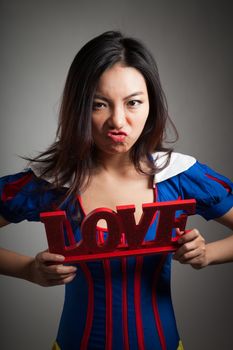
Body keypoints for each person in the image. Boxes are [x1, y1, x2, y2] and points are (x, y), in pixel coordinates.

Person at [0, 31, 233, 350]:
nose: (117, 121)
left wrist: (207, 255)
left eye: (133, 102)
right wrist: (28, 270)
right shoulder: (52, 182)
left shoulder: (178, 175)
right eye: (99, 104)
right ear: (78, 107)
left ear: (151, 103)